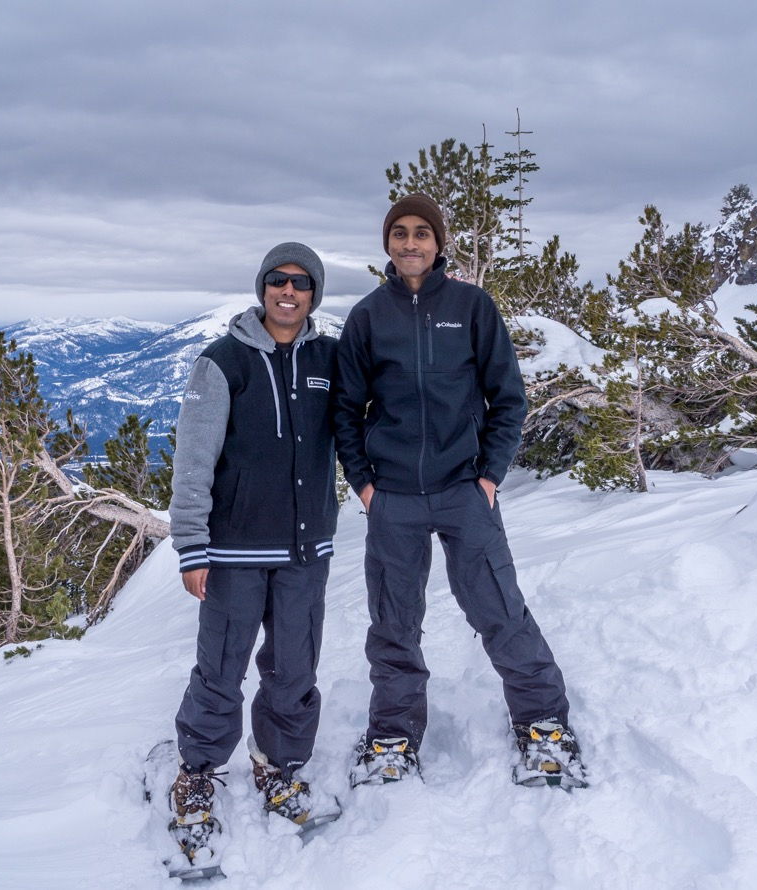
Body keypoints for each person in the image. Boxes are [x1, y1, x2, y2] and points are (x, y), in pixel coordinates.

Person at [334, 194, 586, 788]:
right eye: (400, 233)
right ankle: (393, 732)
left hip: (462, 489)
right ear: (388, 244)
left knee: (497, 607)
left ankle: (542, 719)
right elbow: (345, 410)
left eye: (423, 233)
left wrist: (490, 475)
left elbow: (508, 397)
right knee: (394, 620)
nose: (412, 243)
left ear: (439, 242)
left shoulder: (472, 307)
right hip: (392, 496)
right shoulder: (369, 317)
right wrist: (365, 484)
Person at [169, 242, 340, 838]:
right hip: (234, 551)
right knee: (221, 667)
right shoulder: (222, 362)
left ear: (314, 293)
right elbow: (193, 459)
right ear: (262, 287)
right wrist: (192, 545)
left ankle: (278, 764)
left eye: (300, 282)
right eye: (277, 280)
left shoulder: (331, 359)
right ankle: (197, 769)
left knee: (294, 667)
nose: (287, 291)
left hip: (304, 550)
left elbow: (365, 428)